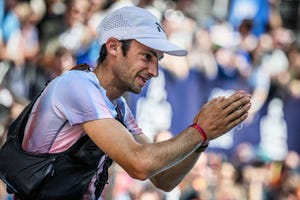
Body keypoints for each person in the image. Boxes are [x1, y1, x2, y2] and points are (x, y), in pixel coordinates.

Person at [16, 6, 251, 200]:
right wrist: (199, 131)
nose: (155, 71)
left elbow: (163, 178)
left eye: (158, 59)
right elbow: (139, 163)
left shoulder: (117, 104)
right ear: (113, 46)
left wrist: (203, 139)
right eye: (147, 56)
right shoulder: (77, 85)